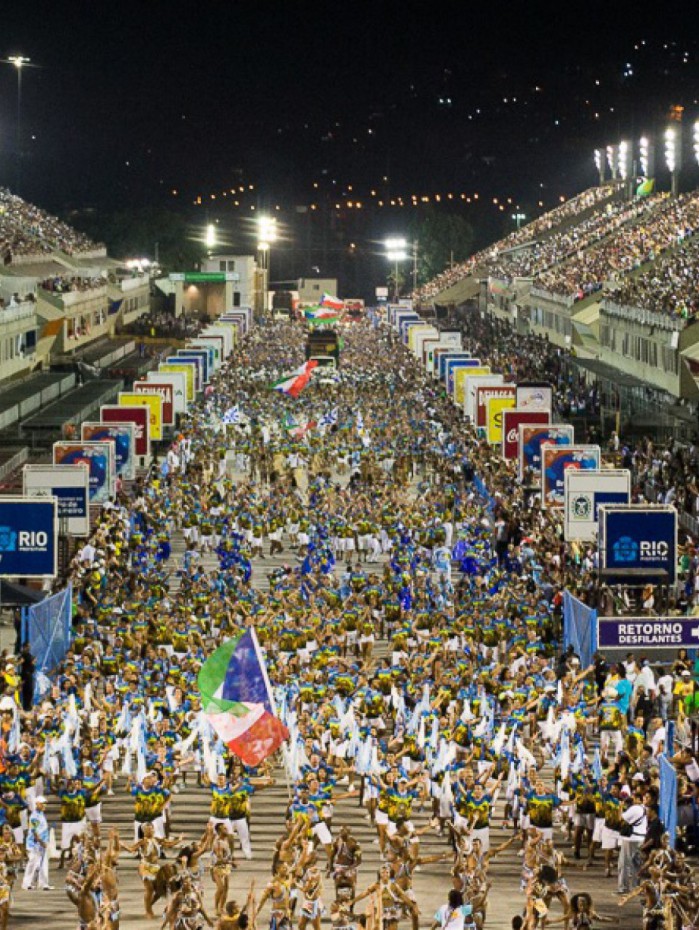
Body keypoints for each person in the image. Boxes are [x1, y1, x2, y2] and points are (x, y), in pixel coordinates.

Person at [21, 795, 52, 891]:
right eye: (42, 803)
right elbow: (34, 831)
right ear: (37, 804)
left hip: (41, 843)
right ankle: (27, 884)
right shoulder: (34, 816)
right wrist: (41, 842)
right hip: (35, 844)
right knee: (32, 864)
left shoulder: (41, 814)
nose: (44, 805)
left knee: (43, 863)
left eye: (44, 804)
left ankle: (43, 884)